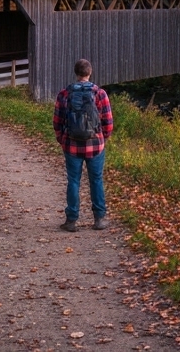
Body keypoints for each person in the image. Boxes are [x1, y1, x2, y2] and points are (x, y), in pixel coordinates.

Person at [53, 58, 113, 232]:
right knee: (96, 180)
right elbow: (108, 122)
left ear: (76, 73)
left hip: (71, 145)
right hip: (95, 146)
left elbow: (57, 121)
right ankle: (99, 219)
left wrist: (62, 139)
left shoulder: (64, 94)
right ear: (90, 72)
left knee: (73, 181)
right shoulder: (99, 93)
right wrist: (103, 138)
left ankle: (71, 221)